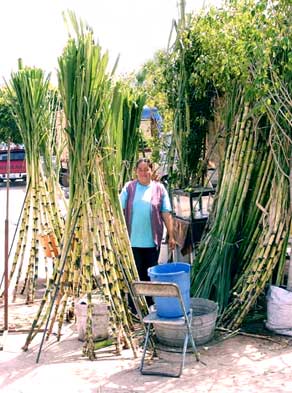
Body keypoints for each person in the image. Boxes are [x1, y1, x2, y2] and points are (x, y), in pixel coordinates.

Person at [120, 158, 175, 284]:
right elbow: (119, 208)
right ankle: (134, 304)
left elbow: (166, 213)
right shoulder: (129, 188)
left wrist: (171, 235)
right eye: (140, 170)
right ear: (136, 171)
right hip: (132, 242)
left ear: (151, 171)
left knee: (150, 276)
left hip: (152, 242)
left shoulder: (159, 189)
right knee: (135, 276)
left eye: (146, 169)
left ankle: (150, 303)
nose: (143, 173)